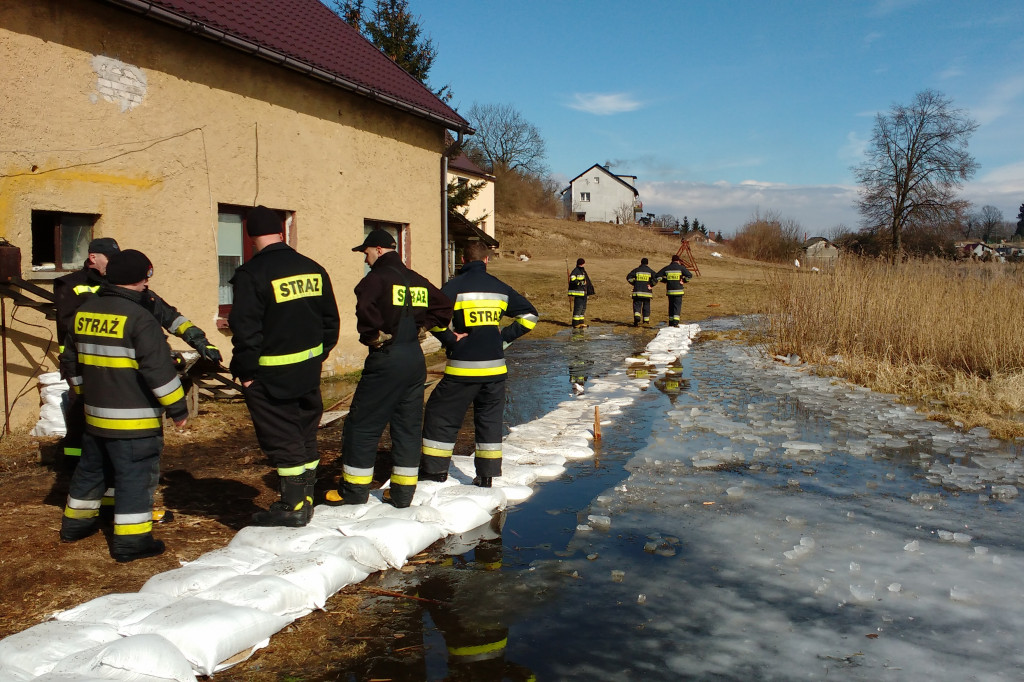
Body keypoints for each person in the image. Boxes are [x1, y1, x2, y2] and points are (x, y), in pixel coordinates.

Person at [58, 250, 189, 562]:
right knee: (135, 479)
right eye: (146, 277)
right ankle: (132, 543)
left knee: (91, 472)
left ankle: (75, 526)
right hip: (134, 424)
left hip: (96, 417)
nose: (147, 284)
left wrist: (85, 393)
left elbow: (69, 361)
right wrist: (178, 410)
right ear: (138, 279)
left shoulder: (85, 311)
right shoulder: (140, 319)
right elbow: (159, 372)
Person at [55, 238, 221, 471]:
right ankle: (76, 467)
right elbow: (70, 334)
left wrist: (200, 341)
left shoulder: (138, 291)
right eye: (111, 260)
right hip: (88, 370)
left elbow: (171, 317)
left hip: (129, 374)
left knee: (123, 439)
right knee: (83, 426)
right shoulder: (75, 286)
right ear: (94, 258)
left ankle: (107, 478)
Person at [229, 206, 339, 527]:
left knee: (283, 438)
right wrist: (317, 357)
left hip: (269, 377)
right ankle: (306, 497)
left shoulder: (252, 275)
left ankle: (294, 508)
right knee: (305, 432)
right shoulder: (313, 269)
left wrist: (246, 374)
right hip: (308, 373)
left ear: (251, 239)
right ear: (282, 233)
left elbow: (246, 331)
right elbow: (330, 323)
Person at [325, 228, 451, 508]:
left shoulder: (376, 279)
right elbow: (443, 305)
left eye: (366, 253)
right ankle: (403, 493)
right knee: (406, 428)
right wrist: (423, 327)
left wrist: (372, 335)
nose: (365, 260)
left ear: (379, 250)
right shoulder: (416, 280)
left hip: (387, 359)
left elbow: (366, 312)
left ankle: (354, 492)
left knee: (363, 425)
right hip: (415, 361)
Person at [420, 242, 538, 488]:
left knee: (442, 415)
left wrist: (450, 338)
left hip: (462, 369)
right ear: (486, 260)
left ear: (463, 261)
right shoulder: (499, 287)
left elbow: (431, 317)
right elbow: (530, 315)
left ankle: (436, 472)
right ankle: (487, 476)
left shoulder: (454, 287)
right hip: (495, 371)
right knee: (489, 421)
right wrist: (503, 337)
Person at [655, 254, 694, 327]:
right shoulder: (681, 268)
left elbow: (657, 276)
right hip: (678, 291)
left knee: (671, 306)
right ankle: (675, 322)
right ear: (678, 261)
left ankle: (670, 322)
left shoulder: (667, 268)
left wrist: (665, 280)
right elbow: (690, 275)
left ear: (672, 260)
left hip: (670, 291)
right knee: (677, 306)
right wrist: (684, 281)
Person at [625, 257, 657, 326]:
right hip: (647, 293)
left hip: (637, 292)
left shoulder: (637, 270)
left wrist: (634, 283)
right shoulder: (650, 271)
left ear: (641, 262)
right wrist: (651, 285)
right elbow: (656, 278)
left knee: (637, 305)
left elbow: (628, 277)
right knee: (646, 306)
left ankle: (637, 317)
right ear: (647, 263)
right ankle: (646, 321)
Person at [568, 257, 593, 328]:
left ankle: (581, 322)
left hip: (583, 293)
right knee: (578, 308)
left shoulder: (582, 271)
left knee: (583, 308)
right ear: (582, 263)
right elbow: (572, 278)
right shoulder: (576, 271)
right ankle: (575, 324)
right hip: (578, 293)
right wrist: (580, 283)